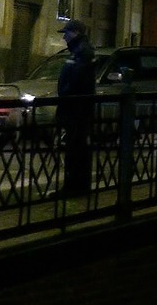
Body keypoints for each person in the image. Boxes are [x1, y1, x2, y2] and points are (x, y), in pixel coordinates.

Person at [53, 20, 97, 198]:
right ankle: (77, 186)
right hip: (75, 107)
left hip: (77, 108)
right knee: (76, 147)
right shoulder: (78, 51)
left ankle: (75, 187)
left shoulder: (83, 52)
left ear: (77, 32)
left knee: (76, 148)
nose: (64, 37)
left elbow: (76, 82)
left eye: (67, 33)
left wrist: (65, 97)